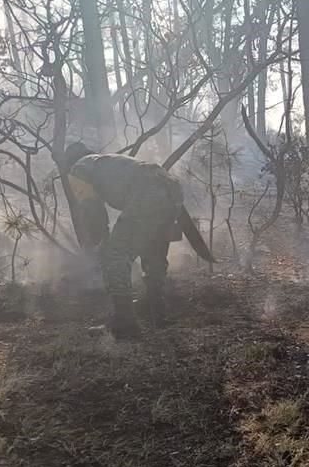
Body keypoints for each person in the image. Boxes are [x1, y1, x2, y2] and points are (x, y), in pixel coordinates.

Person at [57, 142, 210, 338]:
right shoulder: (107, 160)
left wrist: (98, 240)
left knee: (114, 255)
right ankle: (157, 311)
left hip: (147, 194)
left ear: (69, 162)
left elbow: (92, 209)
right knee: (153, 251)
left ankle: (125, 323)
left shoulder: (79, 169)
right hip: (172, 190)